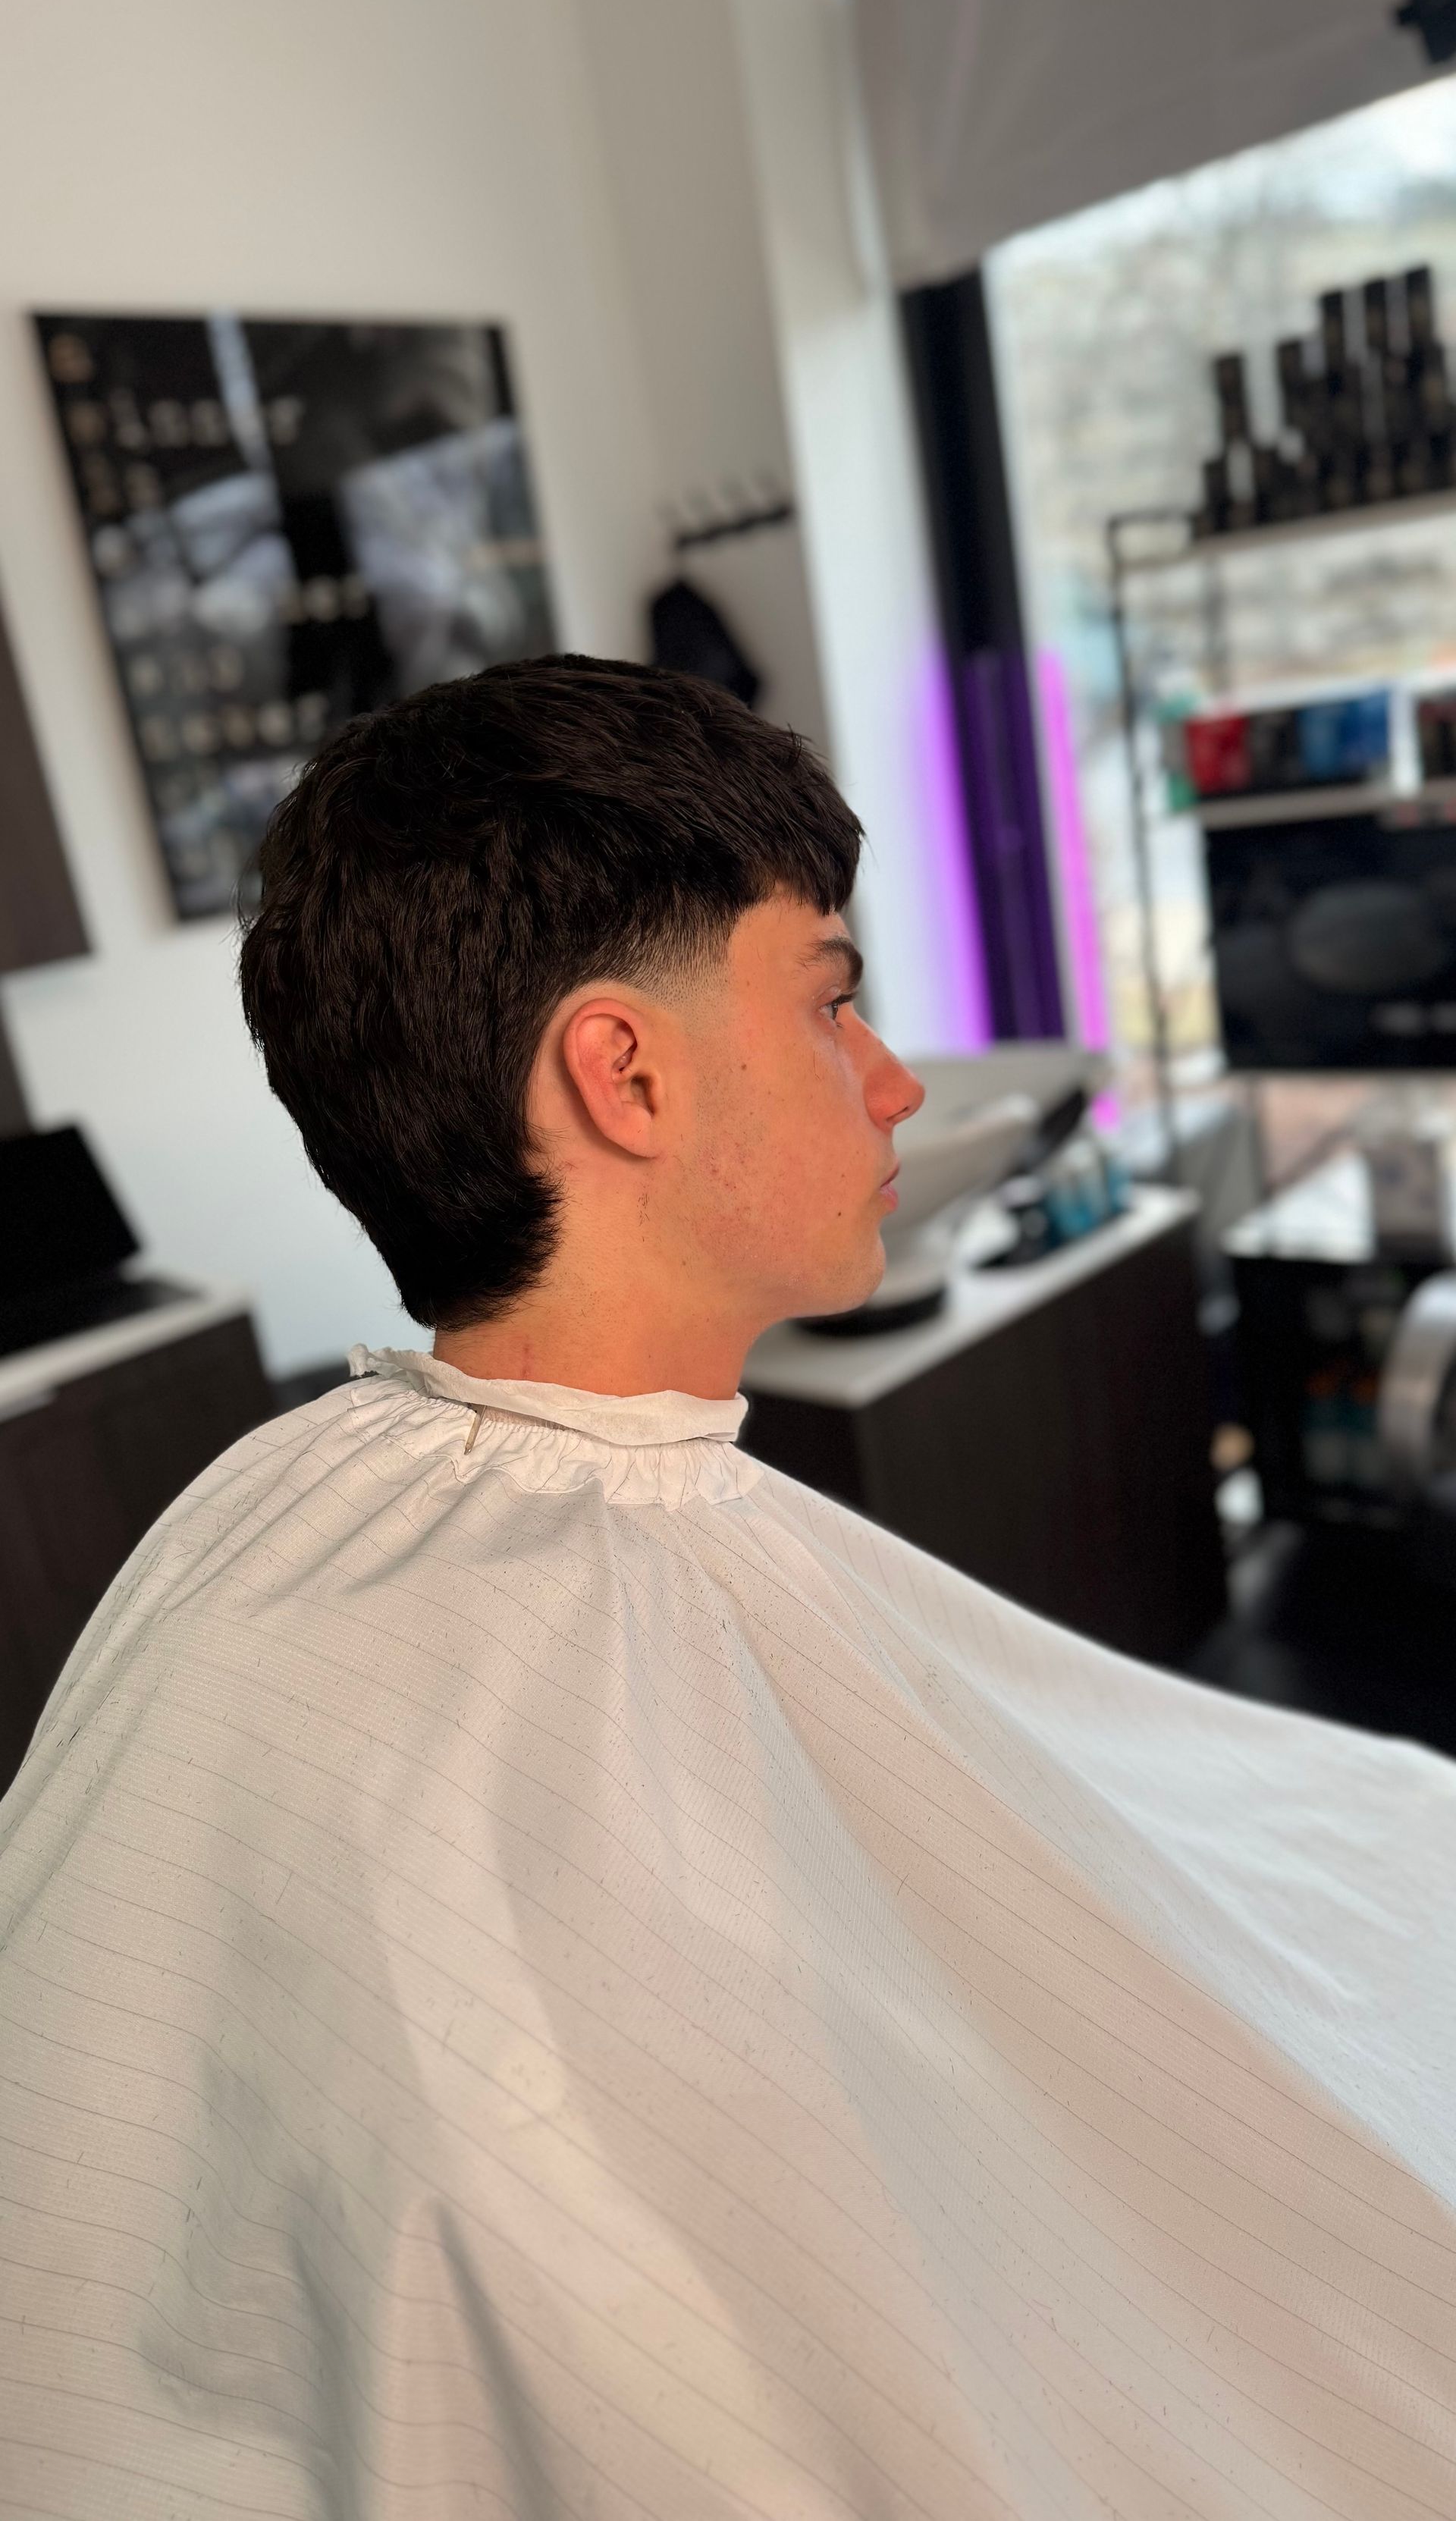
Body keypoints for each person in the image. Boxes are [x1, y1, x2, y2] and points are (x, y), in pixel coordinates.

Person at [2, 655, 1453, 2521]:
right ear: (626, 1075)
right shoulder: (517, 1701)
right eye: (832, 1001)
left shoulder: (264, 1503)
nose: (895, 1078)